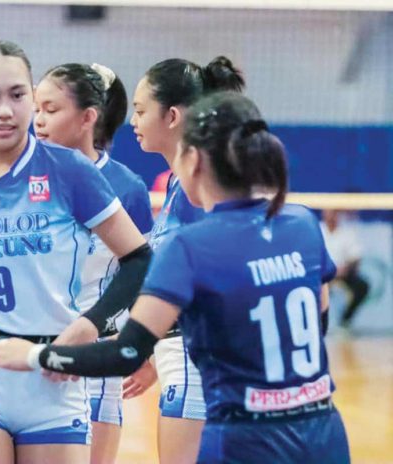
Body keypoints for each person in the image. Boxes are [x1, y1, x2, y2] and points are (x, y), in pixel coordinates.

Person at [0, 91, 351, 464]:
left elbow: (127, 353)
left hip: (245, 440)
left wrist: (34, 355)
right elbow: (318, 320)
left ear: (193, 160)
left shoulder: (190, 246)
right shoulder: (304, 225)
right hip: (323, 431)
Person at [0, 40, 149, 464]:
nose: (5, 110)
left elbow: (139, 259)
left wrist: (88, 328)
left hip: (53, 373)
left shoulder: (70, 170)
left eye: (18, 95)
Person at [120, 56, 246, 463]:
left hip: (198, 364)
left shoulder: (202, 188)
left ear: (172, 115)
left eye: (140, 111)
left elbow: (221, 282)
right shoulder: (178, 182)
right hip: (180, 357)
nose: (133, 121)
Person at [33, 62, 154, 464]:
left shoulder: (126, 187)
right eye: (37, 109)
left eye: (51, 110)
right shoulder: (22, 176)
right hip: (28, 343)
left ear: (89, 116)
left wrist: (146, 348)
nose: (39, 121)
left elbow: (142, 274)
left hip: (97, 348)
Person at [320, 209, 369, 328]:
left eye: (333, 214)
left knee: (362, 286)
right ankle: (317, 321)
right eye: (328, 213)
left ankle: (345, 319)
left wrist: (345, 269)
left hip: (343, 273)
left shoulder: (347, 232)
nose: (331, 217)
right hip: (322, 274)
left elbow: (356, 257)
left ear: (338, 215)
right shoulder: (317, 230)